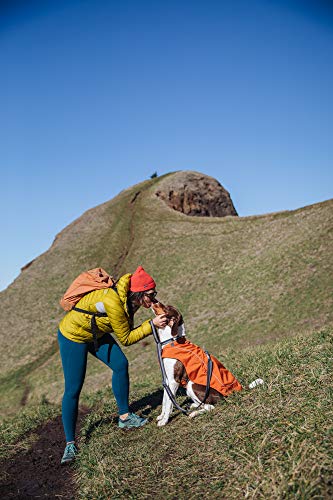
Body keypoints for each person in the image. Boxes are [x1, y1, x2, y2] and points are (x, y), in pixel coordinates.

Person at [57, 266, 167, 465]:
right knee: (73, 388)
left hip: (95, 333)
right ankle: (70, 444)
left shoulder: (128, 299)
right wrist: (151, 325)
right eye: (151, 295)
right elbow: (125, 338)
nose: (154, 299)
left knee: (120, 364)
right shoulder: (113, 301)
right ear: (140, 293)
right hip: (73, 336)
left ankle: (124, 417)